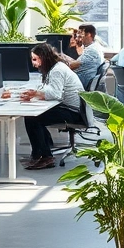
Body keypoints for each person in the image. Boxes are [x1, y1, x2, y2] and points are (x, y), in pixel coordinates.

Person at [22, 43, 85, 171]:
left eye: (35, 59)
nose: (33, 63)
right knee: (33, 116)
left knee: (33, 118)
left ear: (43, 58)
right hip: (69, 108)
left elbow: (55, 94)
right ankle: (38, 154)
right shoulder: (54, 68)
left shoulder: (57, 70)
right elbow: (48, 89)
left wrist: (36, 94)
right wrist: (35, 94)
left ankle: (45, 157)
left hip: (74, 112)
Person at [60, 24, 105, 88]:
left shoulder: (92, 50)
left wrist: (57, 60)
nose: (78, 36)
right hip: (79, 80)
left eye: (81, 33)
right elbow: (78, 62)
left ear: (88, 34)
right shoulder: (93, 47)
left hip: (79, 83)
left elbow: (72, 66)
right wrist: (63, 56)